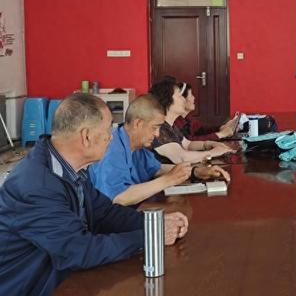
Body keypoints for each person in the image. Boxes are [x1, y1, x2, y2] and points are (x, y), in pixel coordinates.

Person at [0, 93, 189, 296]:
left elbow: (105, 213)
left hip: (61, 278)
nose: (111, 136)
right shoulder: (36, 186)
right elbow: (78, 250)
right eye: (108, 129)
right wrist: (150, 237)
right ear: (87, 136)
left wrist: (155, 224)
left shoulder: (72, 168)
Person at [89, 94, 230, 207]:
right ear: (138, 123)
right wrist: (168, 180)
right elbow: (119, 197)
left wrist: (196, 171)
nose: (157, 134)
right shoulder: (111, 148)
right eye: (154, 128)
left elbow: (157, 168)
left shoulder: (137, 146)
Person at [149, 79, 235, 164]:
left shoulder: (170, 125)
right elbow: (182, 158)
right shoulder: (159, 128)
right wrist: (213, 153)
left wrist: (209, 144)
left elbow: (188, 144)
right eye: (180, 96)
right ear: (167, 101)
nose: (184, 100)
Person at [173, 82, 239, 141]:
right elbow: (189, 142)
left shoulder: (188, 117)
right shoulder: (175, 122)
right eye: (191, 95)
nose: (194, 98)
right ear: (182, 99)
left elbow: (201, 130)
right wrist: (220, 134)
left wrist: (221, 128)